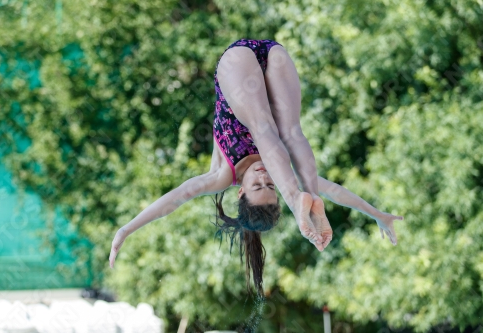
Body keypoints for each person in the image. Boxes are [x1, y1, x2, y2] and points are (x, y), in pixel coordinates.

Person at [109, 39, 403, 297]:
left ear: (239, 193)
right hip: (274, 56)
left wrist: (126, 229)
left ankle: (298, 201)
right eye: (270, 186)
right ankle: (308, 200)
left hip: (237, 63)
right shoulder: (279, 168)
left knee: (264, 129)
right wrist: (376, 215)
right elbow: (337, 192)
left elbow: (176, 199)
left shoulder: (222, 175)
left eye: (257, 186)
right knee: (291, 133)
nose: (265, 177)